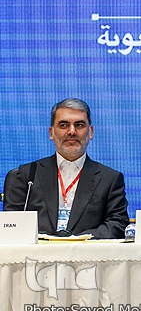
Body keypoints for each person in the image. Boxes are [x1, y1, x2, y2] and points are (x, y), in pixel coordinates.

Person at [3, 98, 129, 239]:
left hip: (87, 251)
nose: (72, 131)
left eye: (79, 125)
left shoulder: (109, 179)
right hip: (39, 251)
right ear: (51, 133)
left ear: (91, 132)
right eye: (64, 125)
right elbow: (12, 225)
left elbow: (117, 223)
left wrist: (79, 240)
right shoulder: (26, 176)